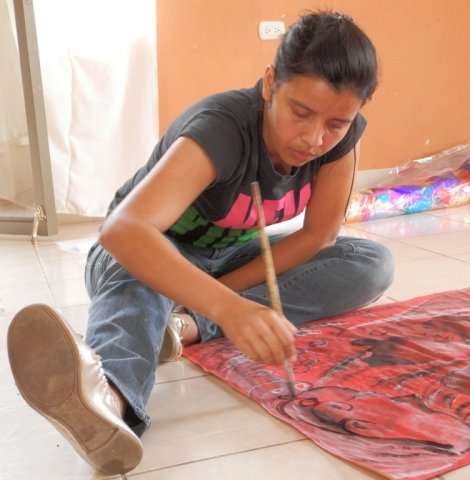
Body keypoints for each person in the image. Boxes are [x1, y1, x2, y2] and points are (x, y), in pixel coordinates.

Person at [7, 10, 394, 475]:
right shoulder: (221, 127)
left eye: (337, 123)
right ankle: (107, 404)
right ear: (270, 84)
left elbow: (318, 235)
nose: (314, 139)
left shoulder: (341, 140)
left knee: (369, 261)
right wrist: (231, 309)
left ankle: (182, 326)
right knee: (140, 284)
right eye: (300, 112)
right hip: (142, 254)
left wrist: (221, 301)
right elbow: (124, 232)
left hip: (227, 259)